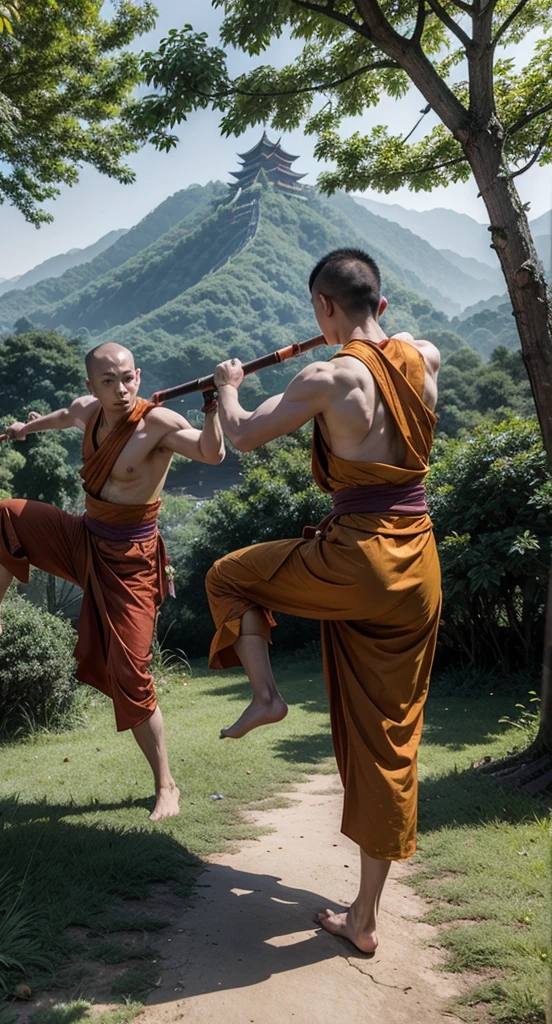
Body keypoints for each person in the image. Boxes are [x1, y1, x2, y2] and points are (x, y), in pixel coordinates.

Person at [206, 248, 441, 951]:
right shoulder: (426, 357)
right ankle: (363, 918)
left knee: (229, 576)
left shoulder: (328, 375)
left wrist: (227, 385)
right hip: (419, 561)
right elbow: (391, 357)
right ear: (384, 303)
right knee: (390, 739)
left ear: (324, 308)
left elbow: (244, 434)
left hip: (358, 554)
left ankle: (266, 695)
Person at [0, 342, 225, 821]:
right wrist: (24, 428)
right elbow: (60, 416)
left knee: (132, 673)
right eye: (108, 381)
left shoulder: (157, 423)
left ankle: (166, 785)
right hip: (86, 536)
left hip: (131, 560)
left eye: (127, 378)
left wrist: (214, 404)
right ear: (91, 386)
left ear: (138, 374)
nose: (121, 389)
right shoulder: (87, 412)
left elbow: (212, 453)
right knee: (6, 515)